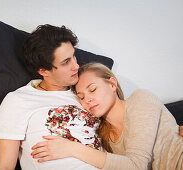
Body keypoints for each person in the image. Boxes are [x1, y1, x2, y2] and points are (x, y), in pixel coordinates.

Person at [31, 62, 183, 170]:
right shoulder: (103, 139)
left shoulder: (140, 99)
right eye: (81, 97)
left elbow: (137, 165)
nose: (87, 100)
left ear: (112, 84)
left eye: (93, 89)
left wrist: (71, 148)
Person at [0, 25, 103, 170]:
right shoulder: (19, 100)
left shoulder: (86, 93)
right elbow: (5, 166)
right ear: (43, 70)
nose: (76, 66)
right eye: (66, 62)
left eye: (73, 56)